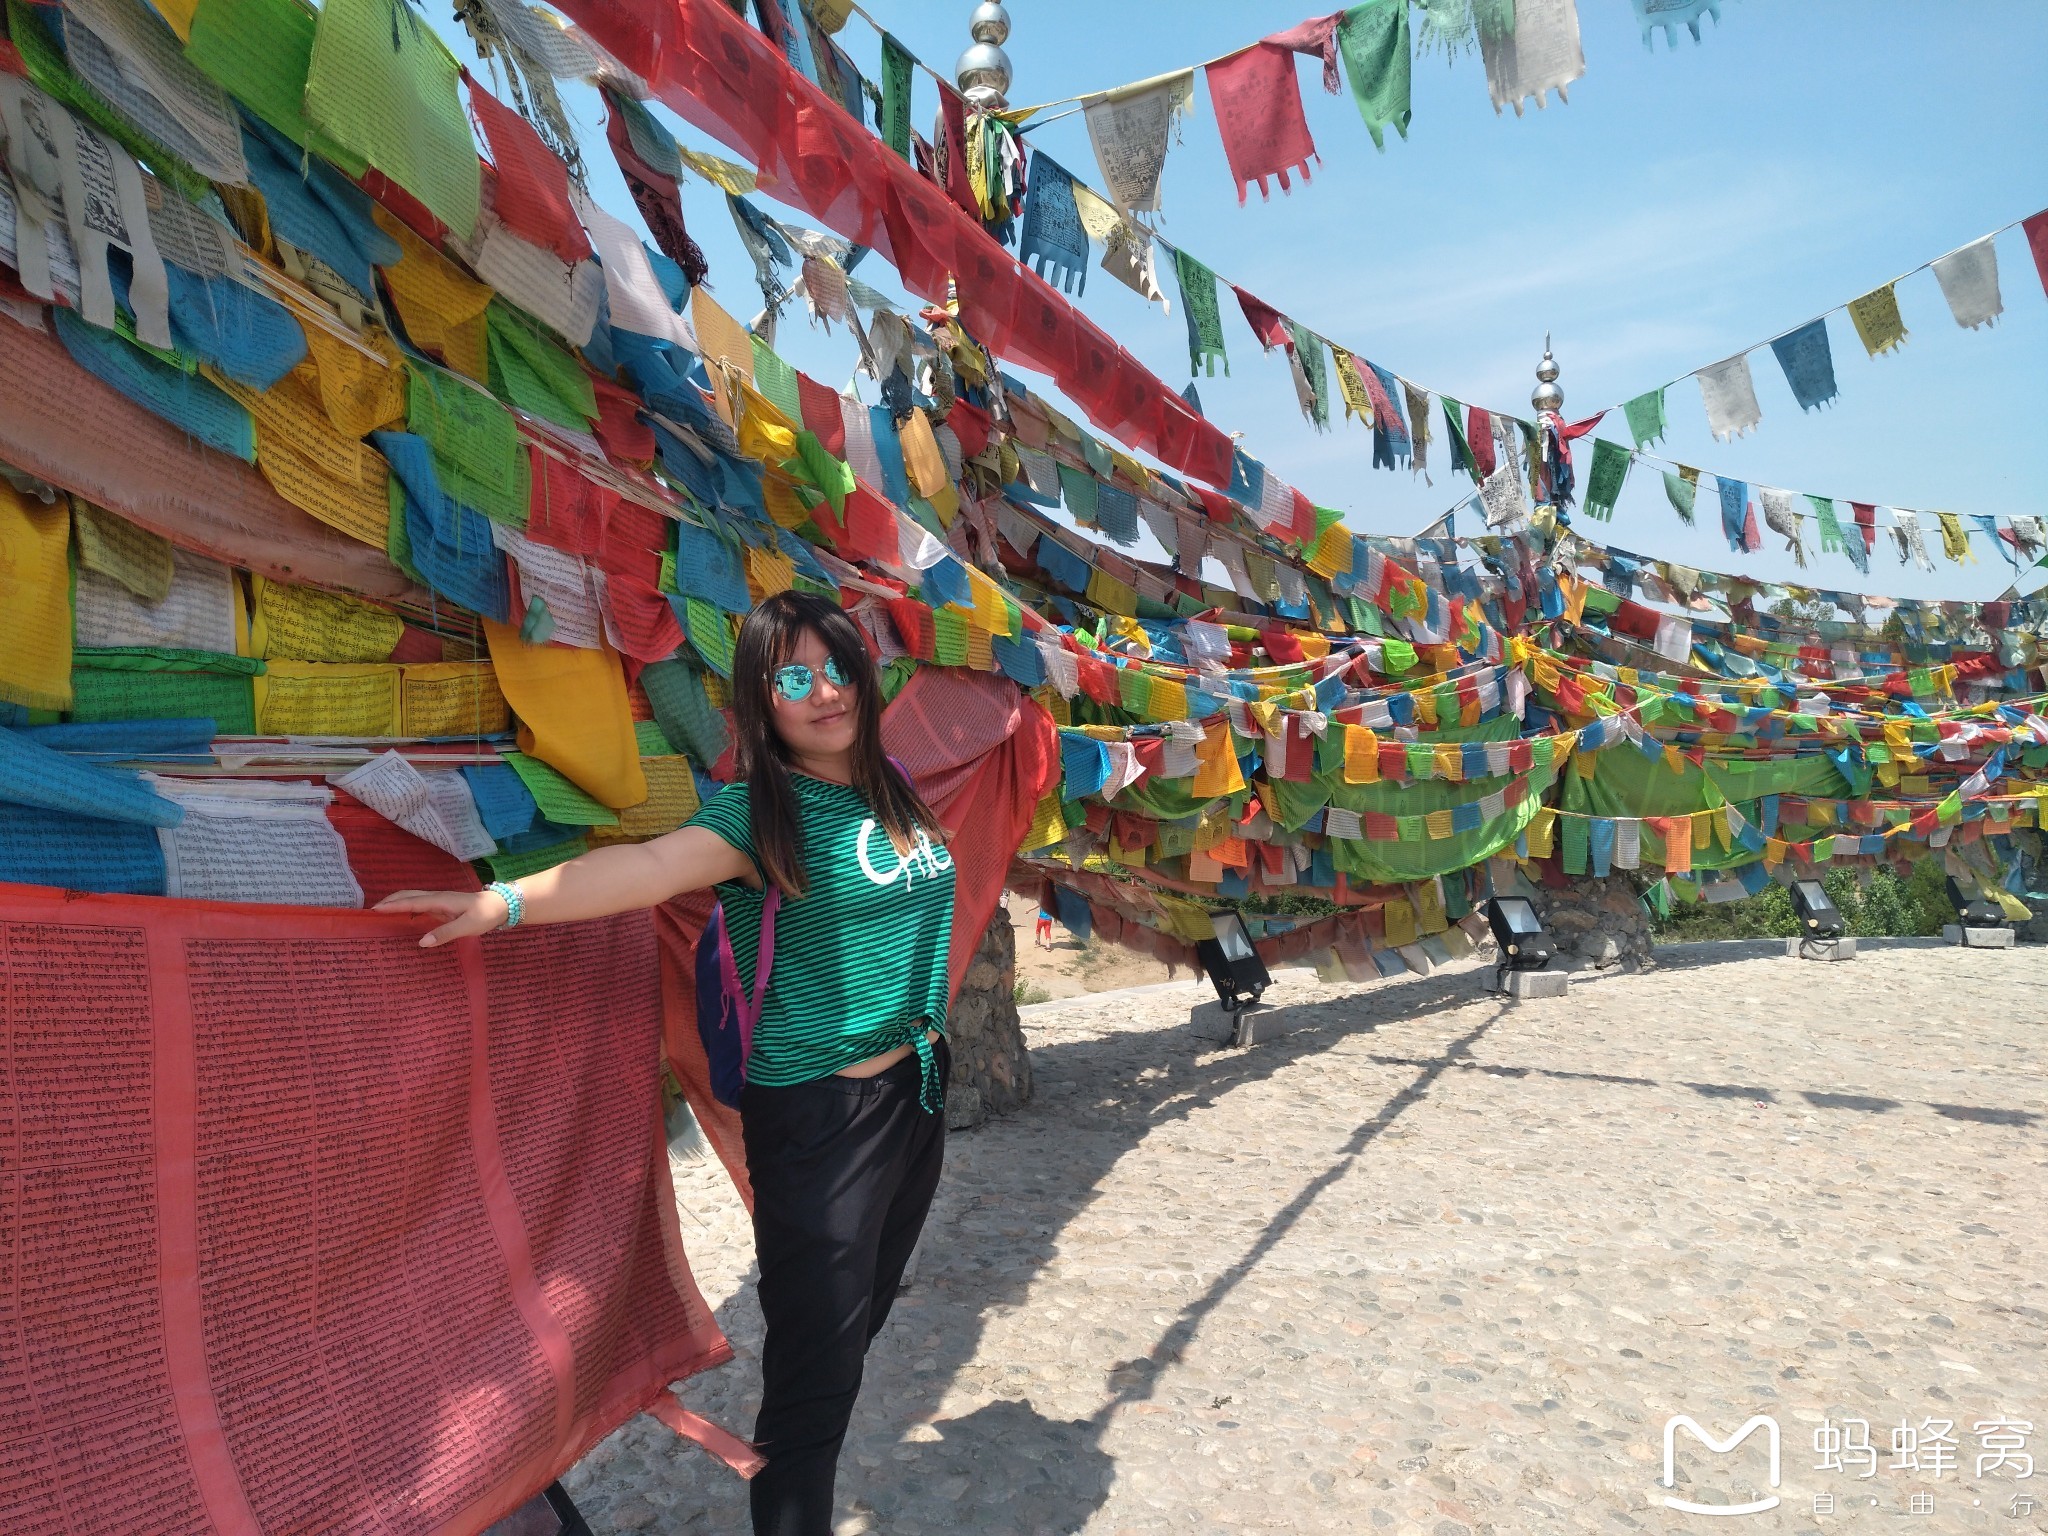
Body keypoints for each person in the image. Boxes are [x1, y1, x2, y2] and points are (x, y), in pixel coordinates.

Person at [375, 591, 957, 1536]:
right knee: (810, 1396)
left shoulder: (890, 782)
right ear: (761, 704)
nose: (824, 693)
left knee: (846, 1343)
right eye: (793, 678)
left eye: (837, 666)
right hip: (821, 1122)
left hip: (916, 1093)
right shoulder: (758, 815)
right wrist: (503, 906)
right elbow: (646, 868)